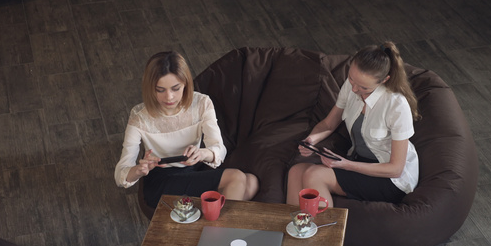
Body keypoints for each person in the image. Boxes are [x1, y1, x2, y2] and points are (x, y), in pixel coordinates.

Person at [115, 51, 258, 208]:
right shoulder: (139, 117)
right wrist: (139, 170)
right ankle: (217, 228)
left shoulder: (202, 103)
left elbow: (219, 149)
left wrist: (202, 153)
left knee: (252, 182)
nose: (169, 97)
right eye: (160, 90)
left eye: (175, 88)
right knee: (236, 178)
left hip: (194, 170)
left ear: (186, 84)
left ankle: (206, 223)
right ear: (150, 88)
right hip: (162, 181)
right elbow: (120, 174)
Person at [286, 41, 421, 206]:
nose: (355, 89)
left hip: (390, 178)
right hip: (360, 161)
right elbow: (329, 123)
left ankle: (325, 230)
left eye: (364, 87)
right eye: (351, 79)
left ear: (384, 80)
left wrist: (347, 165)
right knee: (295, 171)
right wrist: (311, 140)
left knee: (314, 175)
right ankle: (295, 228)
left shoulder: (396, 106)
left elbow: (396, 168)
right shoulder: (351, 87)